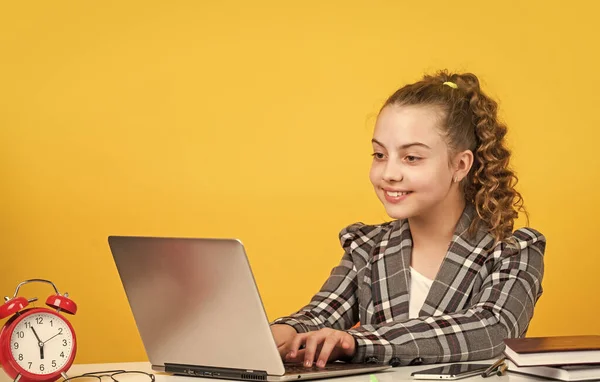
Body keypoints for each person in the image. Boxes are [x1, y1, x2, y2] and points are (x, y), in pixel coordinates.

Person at [269, 70, 546, 368]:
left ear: (460, 165)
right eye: (379, 155)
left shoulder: (514, 251)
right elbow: (322, 313)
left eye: (411, 157)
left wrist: (358, 342)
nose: (389, 173)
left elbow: (492, 330)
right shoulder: (368, 247)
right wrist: (283, 332)